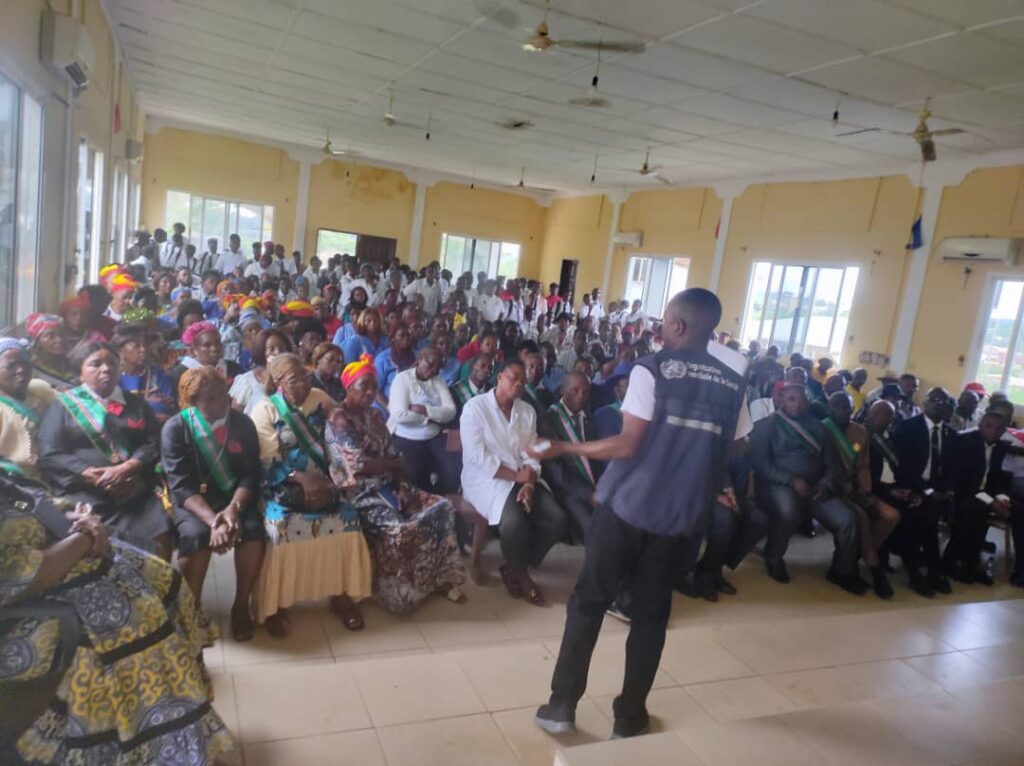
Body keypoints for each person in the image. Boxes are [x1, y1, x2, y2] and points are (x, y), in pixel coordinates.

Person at [534, 289, 746, 740]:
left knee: (589, 603)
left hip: (627, 508)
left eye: (665, 320)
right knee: (651, 617)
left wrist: (565, 446)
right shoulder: (733, 383)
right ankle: (629, 719)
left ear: (678, 325)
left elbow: (628, 443)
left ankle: (561, 706)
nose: (660, 328)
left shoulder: (653, 370)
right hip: (682, 518)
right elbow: (738, 445)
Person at [0, 468, 235, 765]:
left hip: (72, 548)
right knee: (135, 627)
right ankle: (154, 749)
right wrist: (85, 536)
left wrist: (82, 518)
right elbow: (26, 574)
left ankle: (187, 724)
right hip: (35, 599)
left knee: (167, 581)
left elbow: (34, 500)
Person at [327, 355, 466, 613]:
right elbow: (358, 465)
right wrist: (394, 464)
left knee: (442, 508)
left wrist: (401, 484)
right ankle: (398, 594)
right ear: (348, 387)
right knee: (399, 527)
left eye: (373, 387)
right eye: (363, 386)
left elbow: (394, 455)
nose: (370, 392)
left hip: (389, 485)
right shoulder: (339, 419)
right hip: (360, 492)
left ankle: (437, 579)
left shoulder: (375, 416)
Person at [250, 353, 370, 635]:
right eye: (294, 381)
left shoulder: (318, 397)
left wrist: (334, 478)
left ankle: (341, 595)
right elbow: (266, 463)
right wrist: (300, 479)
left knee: (349, 519)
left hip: (325, 480)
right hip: (282, 484)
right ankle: (275, 606)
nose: (303, 385)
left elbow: (339, 432)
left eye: (305, 377)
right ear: (279, 383)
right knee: (281, 528)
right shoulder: (265, 410)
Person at [36, 342, 172, 558]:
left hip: (135, 490)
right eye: (95, 364)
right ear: (80, 371)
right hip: (85, 493)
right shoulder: (62, 406)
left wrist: (128, 467)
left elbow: (153, 442)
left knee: (160, 540)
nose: (106, 369)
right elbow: (50, 454)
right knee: (101, 549)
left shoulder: (136, 404)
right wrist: (88, 473)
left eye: (112, 363)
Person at [161, 367, 266, 641]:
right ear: (192, 401)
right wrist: (213, 522)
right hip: (194, 503)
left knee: (253, 533)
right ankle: (191, 607)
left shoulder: (242, 423)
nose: (219, 403)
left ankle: (241, 606)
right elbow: (180, 486)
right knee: (196, 538)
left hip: (234, 498)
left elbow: (250, 473)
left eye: (222, 395)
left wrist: (233, 509)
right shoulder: (176, 428)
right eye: (209, 398)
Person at [461, 359, 568, 606]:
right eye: (513, 378)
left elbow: (530, 451)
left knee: (557, 519)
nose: (518, 384)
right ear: (499, 377)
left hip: (522, 476)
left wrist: (529, 482)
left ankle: (516, 566)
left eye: (522, 380)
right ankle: (522, 576)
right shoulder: (475, 408)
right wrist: (516, 477)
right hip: (487, 479)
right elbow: (477, 457)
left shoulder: (526, 411)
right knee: (513, 522)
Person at [749, 382, 862, 592]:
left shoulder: (820, 428)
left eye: (802, 400)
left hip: (816, 487)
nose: (797, 405)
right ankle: (773, 558)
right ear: (781, 400)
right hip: (778, 485)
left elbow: (832, 465)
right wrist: (791, 481)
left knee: (848, 518)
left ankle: (842, 571)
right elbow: (760, 463)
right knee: (788, 511)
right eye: (792, 399)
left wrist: (825, 483)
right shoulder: (766, 425)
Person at [822, 391, 901, 598]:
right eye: (838, 406)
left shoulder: (859, 432)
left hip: (857, 488)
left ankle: (851, 559)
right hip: (832, 489)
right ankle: (874, 567)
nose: (844, 411)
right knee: (862, 518)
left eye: (848, 407)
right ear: (829, 408)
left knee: (891, 515)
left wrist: (866, 492)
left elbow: (863, 466)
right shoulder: (821, 429)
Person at [890, 387, 957, 596]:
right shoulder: (908, 427)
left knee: (931, 513)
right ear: (924, 402)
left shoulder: (951, 434)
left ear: (947, 407)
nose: (937, 403)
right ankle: (919, 573)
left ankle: (932, 570)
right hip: (910, 487)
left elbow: (951, 468)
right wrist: (927, 490)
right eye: (933, 399)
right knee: (922, 515)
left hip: (937, 491)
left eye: (942, 401)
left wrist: (947, 491)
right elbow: (902, 466)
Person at [943, 408, 1012, 585]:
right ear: (980, 426)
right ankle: (955, 561)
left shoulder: (1001, 447)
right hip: (960, 491)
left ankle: (974, 561)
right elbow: (966, 481)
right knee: (975, 509)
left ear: (1004, 431)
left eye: (999, 428)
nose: (994, 431)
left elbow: (1000, 478)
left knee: (1014, 509)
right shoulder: (964, 442)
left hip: (984, 493)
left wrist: (1002, 499)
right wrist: (991, 501)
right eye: (989, 426)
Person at [386, 347, 461, 495]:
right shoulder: (403, 379)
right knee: (414, 474)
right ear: (420, 359)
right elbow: (399, 415)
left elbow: (451, 411)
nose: (433, 370)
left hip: (434, 435)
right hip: (406, 436)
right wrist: (430, 419)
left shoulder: (438, 381)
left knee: (453, 469)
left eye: (438, 368)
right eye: (430, 364)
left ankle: (441, 497)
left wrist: (425, 410)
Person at [537, 371, 598, 544]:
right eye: (575, 390)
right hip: (567, 489)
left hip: (593, 485)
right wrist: (588, 493)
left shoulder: (589, 419)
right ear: (563, 391)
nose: (581, 395)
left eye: (585, 391)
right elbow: (555, 470)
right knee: (592, 529)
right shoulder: (547, 420)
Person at [0, 339, 56, 481]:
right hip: (20, 484)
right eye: (11, 365)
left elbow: (70, 413)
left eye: (25, 363)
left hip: (58, 471)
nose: (21, 370)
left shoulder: (40, 390)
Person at [113, 323, 176, 422]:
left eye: (145, 345)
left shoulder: (157, 374)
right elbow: (115, 410)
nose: (143, 349)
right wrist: (147, 404)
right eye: (136, 346)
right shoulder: (114, 378)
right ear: (120, 351)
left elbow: (168, 404)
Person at [169, 320, 243, 403]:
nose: (214, 349)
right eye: (207, 345)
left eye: (217, 343)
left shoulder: (232, 368)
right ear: (194, 350)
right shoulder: (179, 375)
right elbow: (179, 404)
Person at [25, 312, 75, 389]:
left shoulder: (67, 362)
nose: (59, 340)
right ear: (36, 341)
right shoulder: (31, 370)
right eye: (51, 336)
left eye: (61, 334)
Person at [374, 322, 416, 402]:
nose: (406, 338)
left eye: (408, 335)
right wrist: (389, 406)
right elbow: (375, 389)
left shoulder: (416, 356)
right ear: (393, 338)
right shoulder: (383, 359)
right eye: (401, 336)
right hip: (385, 402)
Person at [451, 352, 492, 420]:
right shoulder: (456, 390)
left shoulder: (492, 391)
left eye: (490, 368)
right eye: (482, 366)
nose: (487, 370)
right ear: (472, 366)